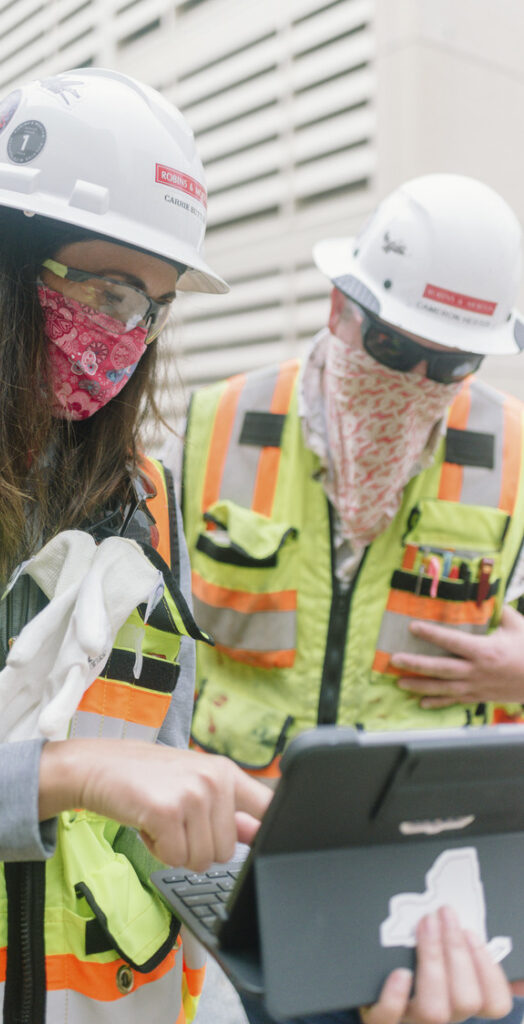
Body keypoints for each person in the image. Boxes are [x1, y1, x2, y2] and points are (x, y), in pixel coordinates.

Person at [0, 73, 506, 1024]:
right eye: (106, 289)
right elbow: (100, 777)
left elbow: (160, 798)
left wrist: (349, 944)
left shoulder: (140, 500)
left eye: (151, 305)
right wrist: (59, 776)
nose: (123, 335)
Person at [182, 173, 524, 1023]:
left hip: (432, 856)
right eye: (395, 347)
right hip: (240, 851)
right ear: (341, 309)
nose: (416, 378)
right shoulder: (212, 425)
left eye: (450, 363)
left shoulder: (512, 450)